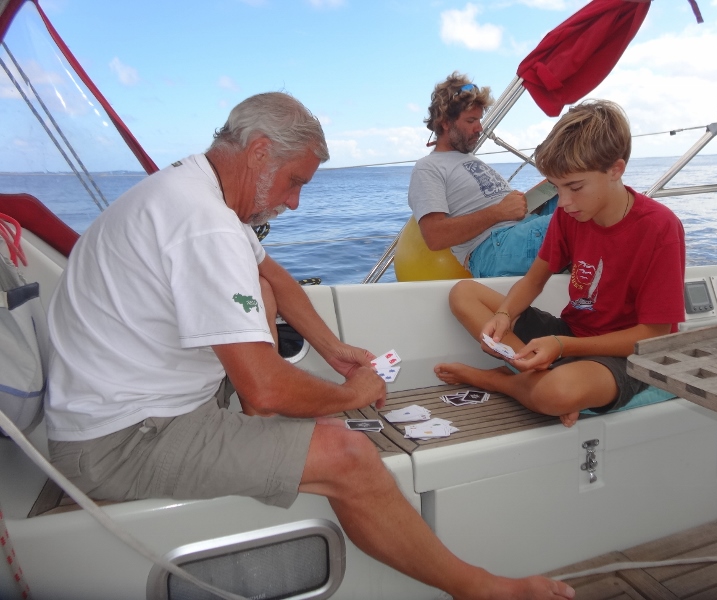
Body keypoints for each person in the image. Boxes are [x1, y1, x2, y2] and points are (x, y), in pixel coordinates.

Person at [44, 92, 575, 600]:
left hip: (137, 407)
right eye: (294, 181)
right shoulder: (205, 225)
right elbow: (265, 387)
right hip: (122, 441)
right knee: (349, 454)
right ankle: (477, 588)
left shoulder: (193, 190)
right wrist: (351, 395)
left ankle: (266, 429)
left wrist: (335, 349)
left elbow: (277, 278)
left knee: (263, 288)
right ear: (258, 152)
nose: (295, 203)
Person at [435, 100, 685, 428]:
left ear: (615, 170)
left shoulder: (660, 227)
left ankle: (501, 381)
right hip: (570, 335)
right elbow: (534, 281)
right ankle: (536, 376)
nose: (563, 202)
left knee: (558, 392)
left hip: (628, 354)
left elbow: (653, 336)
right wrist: (503, 316)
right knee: (464, 293)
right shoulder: (570, 215)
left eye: (575, 187)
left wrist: (562, 346)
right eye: (557, 188)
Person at [408, 72, 554, 278]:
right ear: (445, 123)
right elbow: (434, 236)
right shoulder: (428, 167)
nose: (479, 128)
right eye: (471, 120)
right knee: (577, 222)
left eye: (479, 119)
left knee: (590, 197)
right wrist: (499, 212)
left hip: (523, 227)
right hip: (492, 248)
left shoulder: (470, 160)